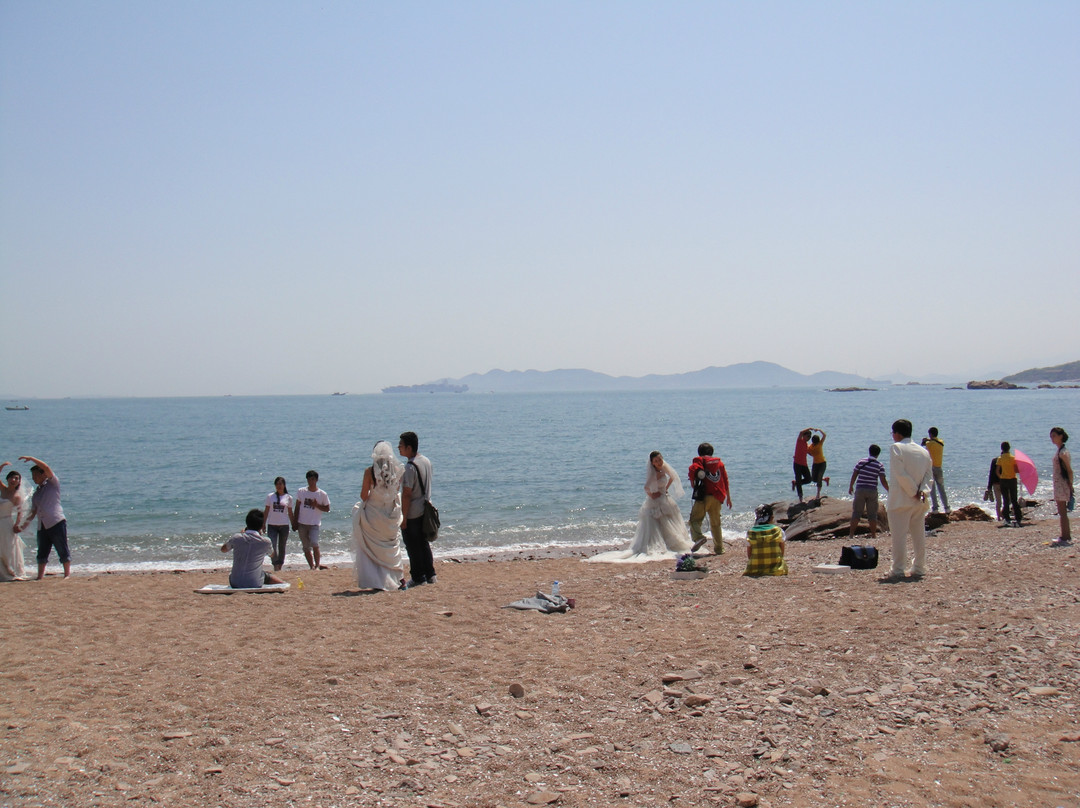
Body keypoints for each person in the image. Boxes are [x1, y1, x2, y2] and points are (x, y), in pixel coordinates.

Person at [586, 451, 693, 563]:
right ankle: (659, 545)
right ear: (652, 463)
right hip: (655, 501)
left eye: (660, 459)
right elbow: (646, 487)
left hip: (665, 498)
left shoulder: (664, 468)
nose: (659, 462)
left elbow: (672, 477)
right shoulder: (653, 473)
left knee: (669, 521)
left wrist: (665, 488)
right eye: (656, 461)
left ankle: (670, 543)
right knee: (656, 524)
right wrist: (652, 495)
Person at [352, 441, 406, 590]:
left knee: (370, 546)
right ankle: (397, 579)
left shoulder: (369, 472)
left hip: (373, 515)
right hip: (389, 513)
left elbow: (364, 495)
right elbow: (395, 492)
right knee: (391, 547)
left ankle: (375, 580)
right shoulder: (397, 470)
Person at [884, 420, 932, 581]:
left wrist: (913, 491)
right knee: (919, 535)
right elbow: (928, 476)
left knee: (899, 536)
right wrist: (922, 491)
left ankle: (898, 568)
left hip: (901, 500)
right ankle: (919, 566)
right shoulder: (923, 451)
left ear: (897, 433)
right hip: (919, 500)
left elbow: (900, 473)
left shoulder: (896, 448)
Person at [14, 456, 70, 580]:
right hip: (43, 525)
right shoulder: (37, 493)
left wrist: (31, 458)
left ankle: (67, 574)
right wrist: (22, 526)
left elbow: (46, 467)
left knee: (62, 547)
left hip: (56, 521)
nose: (34, 478)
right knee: (42, 551)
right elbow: (32, 512)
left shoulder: (53, 483)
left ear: (43, 474)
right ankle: (40, 576)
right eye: (33, 476)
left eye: (36, 475)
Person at [399, 431, 435, 587]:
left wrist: (403, 517)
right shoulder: (425, 461)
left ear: (408, 447)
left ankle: (418, 576)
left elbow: (407, 494)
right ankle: (430, 574)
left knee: (412, 545)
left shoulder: (409, 467)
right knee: (423, 543)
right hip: (425, 508)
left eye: (401, 445)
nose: (398, 448)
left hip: (413, 511)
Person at [220, 509, 285, 589]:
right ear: (261, 526)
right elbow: (272, 555)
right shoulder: (265, 541)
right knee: (266, 575)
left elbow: (223, 550)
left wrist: (241, 534)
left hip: (235, 582)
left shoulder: (236, 538)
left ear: (247, 523)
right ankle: (283, 583)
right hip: (255, 583)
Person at [688, 443, 732, 554]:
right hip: (717, 496)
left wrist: (694, 485)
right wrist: (728, 498)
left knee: (694, 520)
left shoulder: (698, 462)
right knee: (716, 523)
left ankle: (699, 538)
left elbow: (692, 473)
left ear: (699, 452)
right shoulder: (719, 463)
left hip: (703, 497)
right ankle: (719, 549)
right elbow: (725, 480)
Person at [848, 445, 889, 540]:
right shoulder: (879, 465)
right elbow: (883, 480)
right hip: (872, 490)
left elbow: (854, 474)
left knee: (856, 513)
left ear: (869, 451)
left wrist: (851, 486)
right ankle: (874, 535)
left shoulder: (861, 462)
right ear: (878, 454)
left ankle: (851, 535)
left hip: (860, 489)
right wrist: (889, 490)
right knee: (872, 514)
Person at [292, 470, 330, 569]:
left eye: (313, 479)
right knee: (305, 547)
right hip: (302, 523)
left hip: (314, 523)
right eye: (309, 479)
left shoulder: (322, 494)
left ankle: (317, 565)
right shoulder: (301, 491)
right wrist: (294, 521)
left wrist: (317, 505)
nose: (311, 481)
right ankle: (312, 566)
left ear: (316, 480)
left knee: (314, 543)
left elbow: (327, 508)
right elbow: (297, 507)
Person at [743, 504, 787, 577]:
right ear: (771, 518)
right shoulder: (778, 531)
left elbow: (749, 554)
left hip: (754, 569)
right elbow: (781, 550)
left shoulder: (750, 532)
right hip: (776, 569)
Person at [0, 464, 27, 581]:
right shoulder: (3, 490)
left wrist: (17, 524)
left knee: (8, 547)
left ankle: (12, 571)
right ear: (8, 479)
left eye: (17, 479)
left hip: (7, 522)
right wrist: (2, 466)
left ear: (19, 482)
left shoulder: (17, 496)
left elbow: (21, 512)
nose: (14, 480)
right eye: (12, 477)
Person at [262, 477, 293, 571]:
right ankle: (275, 563)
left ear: (284, 485)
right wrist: (263, 523)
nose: (279, 486)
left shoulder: (289, 497)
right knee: (272, 546)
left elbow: (290, 512)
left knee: (282, 546)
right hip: (272, 525)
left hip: (284, 525)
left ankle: (280, 564)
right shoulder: (270, 496)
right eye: (277, 484)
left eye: (281, 484)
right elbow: (266, 510)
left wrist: (294, 523)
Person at [1049, 427, 1073, 546]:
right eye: (1051, 436)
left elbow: (1069, 470)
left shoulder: (1063, 452)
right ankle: (1065, 535)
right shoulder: (1060, 451)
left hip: (1062, 483)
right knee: (1061, 511)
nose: (1052, 438)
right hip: (1059, 483)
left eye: (1054, 436)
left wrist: (1070, 485)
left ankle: (1065, 536)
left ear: (1061, 436)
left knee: (1062, 511)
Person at [921, 427, 950, 514]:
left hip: (931, 468)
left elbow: (923, 444)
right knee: (941, 488)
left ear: (930, 434)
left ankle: (935, 508)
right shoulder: (941, 442)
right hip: (939, 468)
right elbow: (934, 441)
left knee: (932, 489)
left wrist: (926, 440)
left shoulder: (929, 443)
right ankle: (947, 507)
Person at [996, 442, 1023, 528]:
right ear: (1009, 448)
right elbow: (1016, 470)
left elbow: (997, 471)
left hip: (1003, 480)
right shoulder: (1013, 458)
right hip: (1012, 479)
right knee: (1014, 499)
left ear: (1002, 449)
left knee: (1005, 500)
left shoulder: (1000, 458)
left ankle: (1007, 518)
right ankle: (1018, 517)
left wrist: (1001, 477)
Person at [792, 429, 813, 503]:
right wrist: (809, 428)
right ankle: (800, 497)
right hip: (797, 464)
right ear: (804, 436)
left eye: (810, 437)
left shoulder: (806, 445)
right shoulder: (799, 441)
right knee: (798, 479)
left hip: (804, 464)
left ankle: (796, 483)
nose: (809, 438)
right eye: (808, 436)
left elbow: (810, 453)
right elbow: (800, 432)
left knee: (809, 479)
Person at [807, 429, 829, 499]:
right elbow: (809, 452)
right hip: (815, 464)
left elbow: (824, 435)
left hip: (822, 463)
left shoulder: (820, 444)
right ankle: (825, 479)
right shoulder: (810, 447)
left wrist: (819, 430)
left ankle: (818, 494)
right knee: (814, 479)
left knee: (819, 478)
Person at [984, 455, 1003, 521]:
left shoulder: (994, 460)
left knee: (998, 502)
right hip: (1004, 483)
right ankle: (1003, 515)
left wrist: (989, 486)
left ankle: (998, 517)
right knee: (1007, 501)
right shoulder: (1007, 460)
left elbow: (991, 473)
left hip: (995, 484)